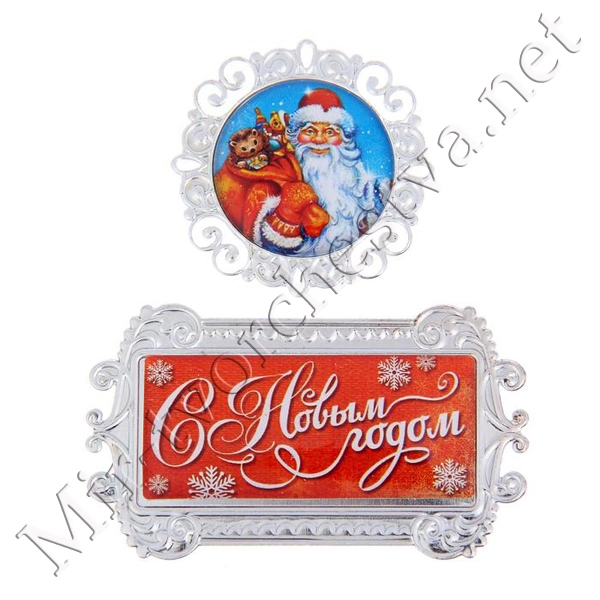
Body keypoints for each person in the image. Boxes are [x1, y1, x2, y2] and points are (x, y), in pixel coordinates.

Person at [286, 88, 387, 255]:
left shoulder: (365, 188)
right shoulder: (283, 176)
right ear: (296, 136)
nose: (319, 140)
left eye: (330, 132)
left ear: (344, 139)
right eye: (310, 131)